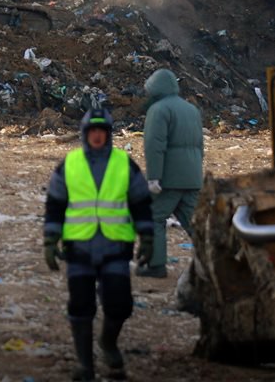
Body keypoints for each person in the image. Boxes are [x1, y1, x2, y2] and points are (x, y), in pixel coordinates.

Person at [44, 108, 155, 381]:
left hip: (115, 246)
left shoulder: (124, 164)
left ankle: (108, 342)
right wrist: (50, 239)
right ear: (84, 134)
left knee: (119, 304)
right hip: (79, 247)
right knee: (81, 306)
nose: (96, 136)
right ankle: (85, 364)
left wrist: (148, 237)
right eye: (92, 131)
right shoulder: (69, 165)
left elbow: (140, 203)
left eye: (101, 131)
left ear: (108, 134)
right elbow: (55, 206)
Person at [139, 68, 204, 279]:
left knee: (153, 218)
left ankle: (155, 265)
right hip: (192, 178)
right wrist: (194, 173)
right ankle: (219, 264)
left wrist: (154, 177)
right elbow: (199, 147)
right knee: (196, 225)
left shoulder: (158, 110)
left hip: (169, 179)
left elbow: (155, 146)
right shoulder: (191, 109)